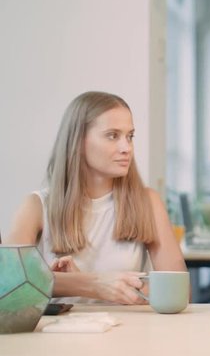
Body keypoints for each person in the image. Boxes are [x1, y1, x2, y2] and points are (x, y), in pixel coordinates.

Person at [6, 91, 187, 304]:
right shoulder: (36, 206)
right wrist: (91, 284)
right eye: (113, 135)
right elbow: (8, 283)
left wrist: (64, 281)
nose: (126, 148)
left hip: (129, 334)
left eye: (130, 136)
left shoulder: (148, 202)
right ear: (78, 141)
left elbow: (179, 292)